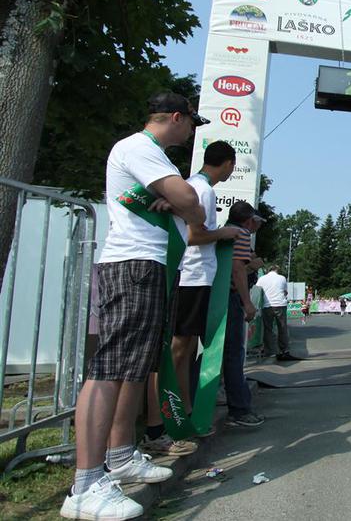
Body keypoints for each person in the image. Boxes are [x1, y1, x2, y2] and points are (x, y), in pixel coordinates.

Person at [61, 93, 208, 520]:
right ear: (177, 117)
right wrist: (180, 202)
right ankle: (86, 484)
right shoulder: (140, 148)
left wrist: (181, 204)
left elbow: (191, 209)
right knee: (110, 370)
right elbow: (191, 203)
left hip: (146, 266)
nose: (191, 131)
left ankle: (121, 456)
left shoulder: (147, 153)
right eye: (191, 123)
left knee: (133, 369)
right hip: (132, 266)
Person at [139, 140, 240, 457]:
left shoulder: (195, 186)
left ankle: (183, 415)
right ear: (228, 164)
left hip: (194, 276)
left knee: (185, 349)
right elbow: (195, 236)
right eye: (232, 166)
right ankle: (161, 425)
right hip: (192, 276)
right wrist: (223, 234)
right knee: (177, 351)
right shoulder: (203, 190)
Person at [223, 201, 266, 426]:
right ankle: (239, 409)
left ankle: (231, 400)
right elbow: (237, 268)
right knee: (234, 352)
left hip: (218, 295)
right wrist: (247, 303)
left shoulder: (226, 230)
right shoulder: (240, 234)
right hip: (229, 297)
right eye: (257, 223)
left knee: (225, 352)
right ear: (250, 221)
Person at [257, 265, 301, 361]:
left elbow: (257, 291)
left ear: (268, 270)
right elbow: (285, 292)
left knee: (268, 329)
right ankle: (284, 350)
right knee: (282, 328)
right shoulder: (282, 278)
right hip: (280, 304)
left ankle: (270, 351)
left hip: (267, 305)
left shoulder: (262, 278)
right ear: (277, 270)